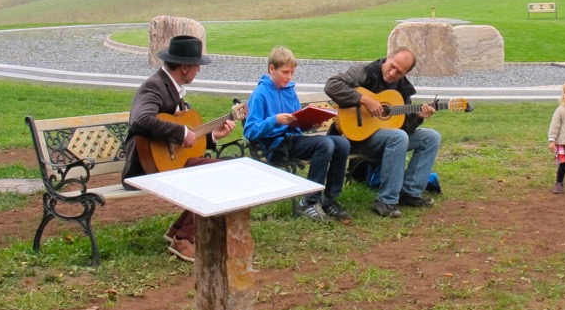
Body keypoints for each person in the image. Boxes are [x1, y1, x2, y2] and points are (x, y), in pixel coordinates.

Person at [121, 35, 237, 261]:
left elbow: (185, 142)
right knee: (220, 173)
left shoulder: (172, 89)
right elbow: (140, 120)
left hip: (169, 162)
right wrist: (181, 132)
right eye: (197, 66)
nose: (199, 71)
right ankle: (185, 240)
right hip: (144, 168)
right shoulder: (154, 86)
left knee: (225, 169)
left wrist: (213, 136)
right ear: (184, 67)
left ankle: (178, 230)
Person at [324, 47, 442, 218]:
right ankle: (386, 200)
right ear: (388, 57)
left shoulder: (402, 88)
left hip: (384, 138)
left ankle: (409, 192)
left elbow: (401, 126)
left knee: (431, 137)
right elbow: (332, 85)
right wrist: (364, 100)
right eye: (392, 66)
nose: (393, 73)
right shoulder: (366, 72)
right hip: (353, 137)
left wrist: (417, 117)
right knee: (398, 138)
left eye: (399, 72)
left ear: (406, 73)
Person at [244, 47, 352, 222]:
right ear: (272, 69)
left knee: (342, 143)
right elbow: (250, 131)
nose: (289, 77)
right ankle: (308, 202)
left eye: (292, 72)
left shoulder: (289, 90)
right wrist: (275, 120)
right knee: (325, 144)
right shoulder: (260, 94)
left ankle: (329, 200)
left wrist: (309, 122)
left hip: (293, 140)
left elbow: (296, 122)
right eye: (285, 72)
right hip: (275, 146)